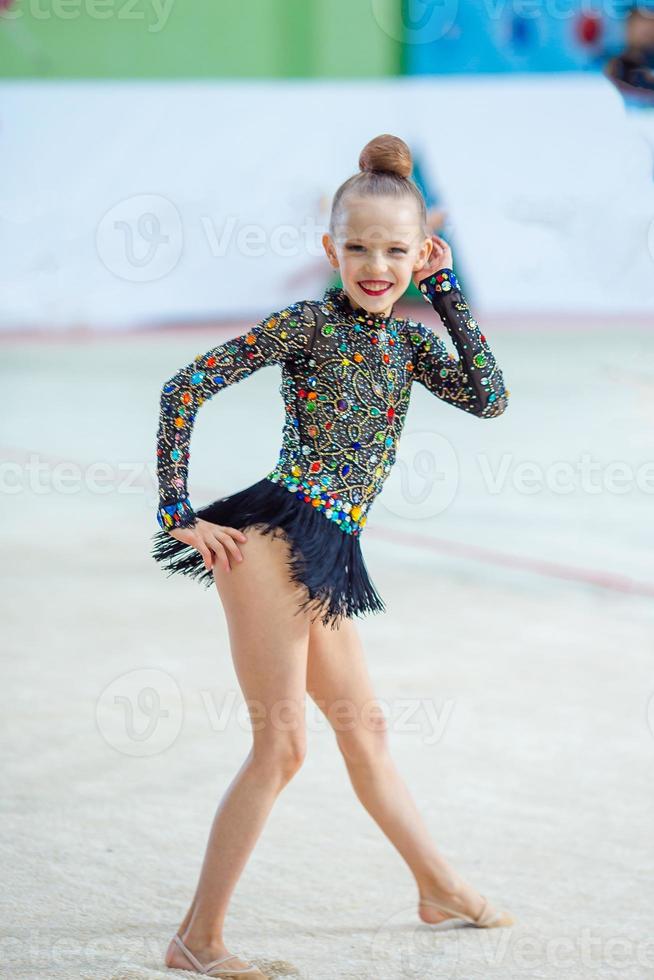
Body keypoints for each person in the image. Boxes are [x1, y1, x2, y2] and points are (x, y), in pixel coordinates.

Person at [154, 133, 513, 979]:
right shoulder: (310, 325)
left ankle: (438, 887)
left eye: (396, 251)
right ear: (331, 249)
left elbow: (490, 399)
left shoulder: (413, 343)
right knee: (282, 748)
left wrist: (448, 292)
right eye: (358, 247)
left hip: (329, 549)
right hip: (277, 539)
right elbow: (185, 387)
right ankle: (196, 941)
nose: (375, 265)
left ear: (420, 252)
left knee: (366, 730)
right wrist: (177, 510)